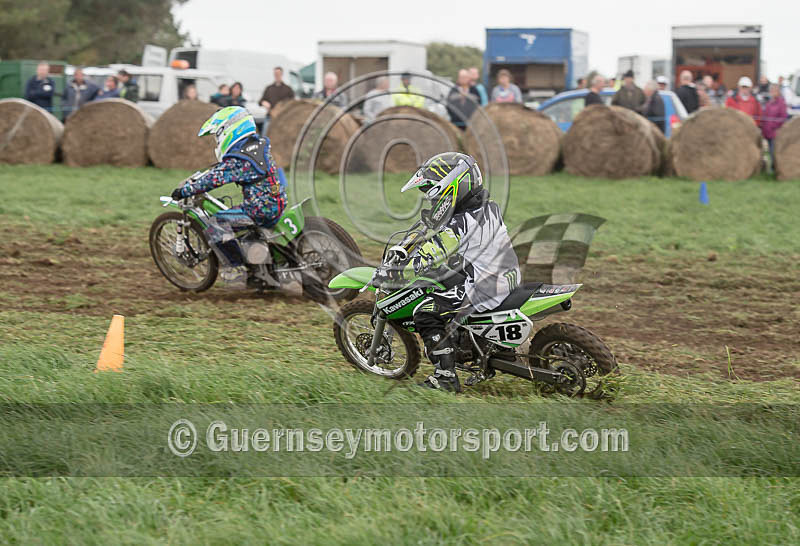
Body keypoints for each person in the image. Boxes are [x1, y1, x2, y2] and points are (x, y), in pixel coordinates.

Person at [380, 152, 520, 392]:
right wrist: (408, 243)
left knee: (425, 312)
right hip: (503, 273)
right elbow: (431, 227)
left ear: (452, 188)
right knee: (441, 280)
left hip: (486, 284)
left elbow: (429, 253)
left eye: (432, 193)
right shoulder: (484, 207)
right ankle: (480, 344)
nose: (431, 200)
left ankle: (444, 378)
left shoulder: (460, 224)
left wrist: (398, 268)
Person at [170, 106, 287, 280]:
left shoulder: (238, 160)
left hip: (260, 210)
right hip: (277, 200)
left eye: (217, 136)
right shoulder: (258, 146)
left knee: (216, 224)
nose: (217, 142)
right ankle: (258, 259)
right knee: (235, 215)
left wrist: (185, 190)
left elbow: (214, 179)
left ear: (229, 131)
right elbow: (222, 169)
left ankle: (236, 270)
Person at [760, 83, 788, 172]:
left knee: (773, 152)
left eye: (774, 90)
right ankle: (767, 169)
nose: (772, 92)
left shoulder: (781, 103)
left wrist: (773, 126)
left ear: (778, 92)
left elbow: (783, 118)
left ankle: (774, 169)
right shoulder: (769, 103)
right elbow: (764, 116)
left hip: (775, 133)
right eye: (771, 90)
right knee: (766, 152)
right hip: (766, 132)